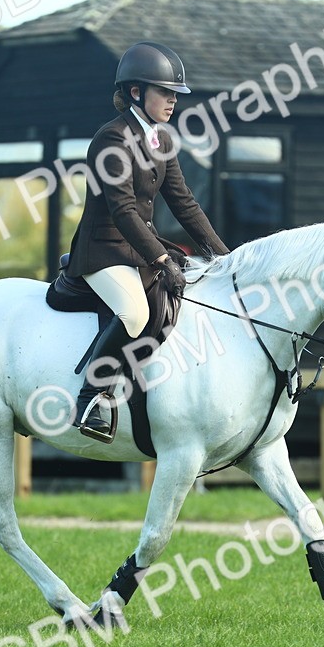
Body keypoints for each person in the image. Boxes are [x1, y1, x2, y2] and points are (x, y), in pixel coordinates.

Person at [66, 41, 231, 442]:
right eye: (166, 93)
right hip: (104, 250)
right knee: (135, 313)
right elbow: (123, 210)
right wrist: (161, 258)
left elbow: (185, 204)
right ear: (137, 93)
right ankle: (90, 398)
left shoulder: (162, 140)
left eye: (176, 95)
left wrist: (226, 257)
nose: (173, 101)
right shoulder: (112, 139)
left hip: (138, 250)